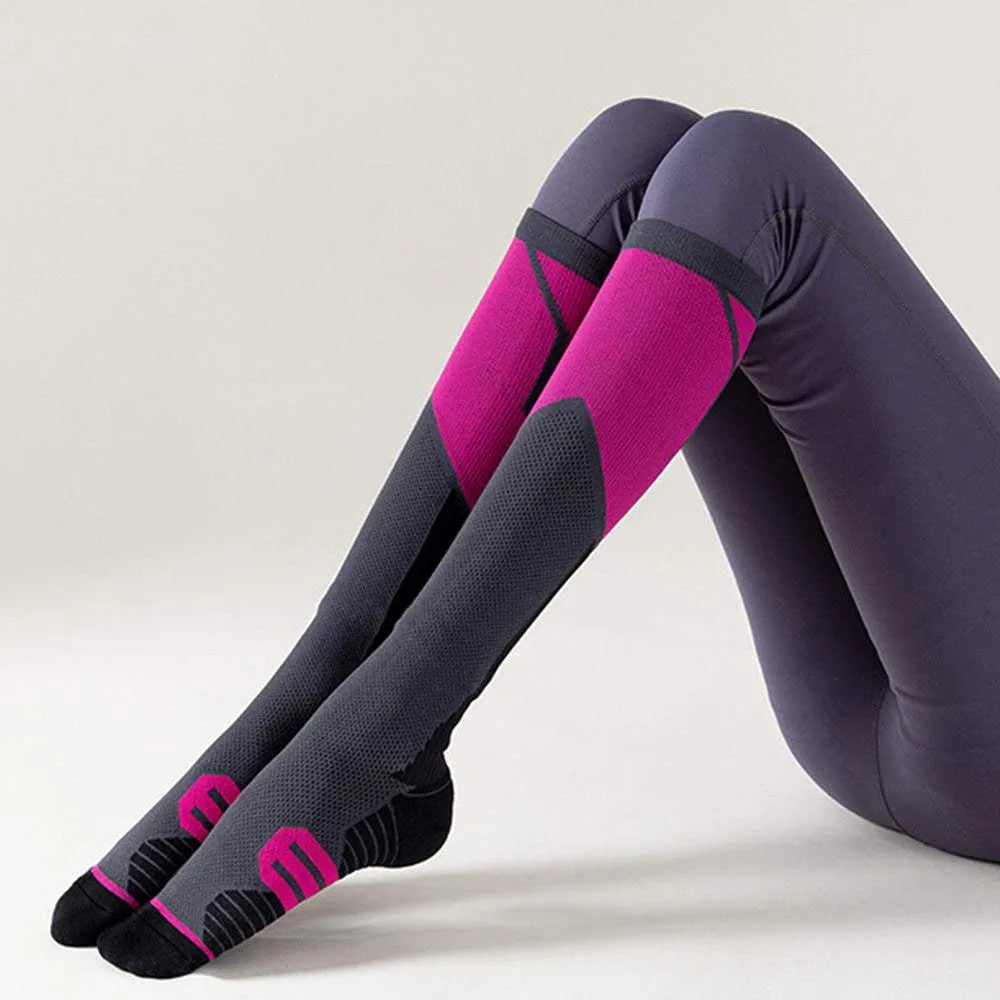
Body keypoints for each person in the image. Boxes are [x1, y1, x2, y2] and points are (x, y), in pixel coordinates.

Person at [50, 97, 1000, 978]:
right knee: (639, 149)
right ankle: (325, 695)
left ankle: (374, 739)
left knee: (756, 174)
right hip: (859, 720)